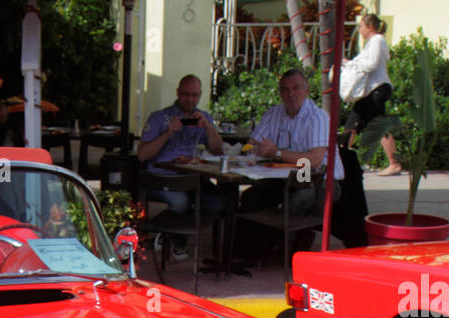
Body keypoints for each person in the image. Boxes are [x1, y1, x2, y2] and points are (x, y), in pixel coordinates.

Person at [137, 74, 227, 260]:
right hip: (161, 177)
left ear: (200, 95)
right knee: (181, 202)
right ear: (177, 93)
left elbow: (218, 151)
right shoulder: (160, 117)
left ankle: (170, 232)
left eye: (195, 95)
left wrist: (208, 128)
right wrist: (168, 132)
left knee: (218, 202)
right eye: (185, 94)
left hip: (192, 178)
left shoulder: (204, 118)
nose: (190, 100)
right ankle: (176, 240)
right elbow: (142, 155)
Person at [242, 68, 343, 215]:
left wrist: (276, 152)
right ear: (280, 93)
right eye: (285, 90)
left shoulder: (317, 117)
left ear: (306, 90)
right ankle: (259, 237)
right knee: (250, 198)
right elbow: (250, 144)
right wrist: (257, 149)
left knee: (294, 203)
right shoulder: (273, 113)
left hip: (319, 180)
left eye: (296, 88)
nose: (291, 94)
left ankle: (292, 238)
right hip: (285, 178)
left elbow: (314, 161)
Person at [341, 14, 401, 175]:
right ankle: (342, 160)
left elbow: (372, 64)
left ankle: (394, 163)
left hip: (376, 89)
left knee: (378, 125)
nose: (359, 30)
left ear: (369, 26)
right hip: (368, 92)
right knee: (351, 124)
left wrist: (352, 65)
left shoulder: (377, 40)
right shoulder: (372, 43)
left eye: (361, 26)